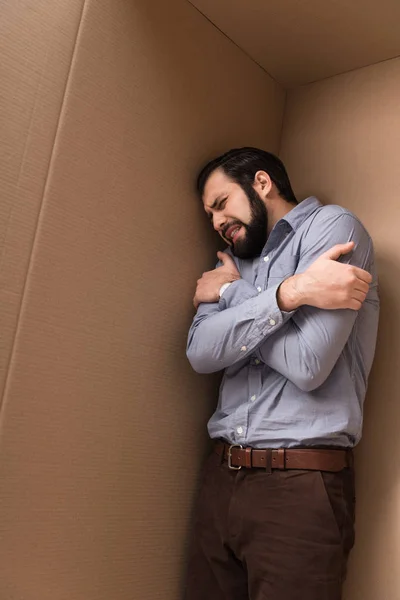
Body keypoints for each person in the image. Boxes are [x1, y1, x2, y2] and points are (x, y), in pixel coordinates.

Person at [185, 147, 379, 600]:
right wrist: (292, 293)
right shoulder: (234, 258)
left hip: (301, 485)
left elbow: (308, 365)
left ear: (262, 183)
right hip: (220, 478)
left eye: (220, 204)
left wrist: (233, 293)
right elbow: (199, 352)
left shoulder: (333, 228)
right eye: (210, 216)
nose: (216, 223)